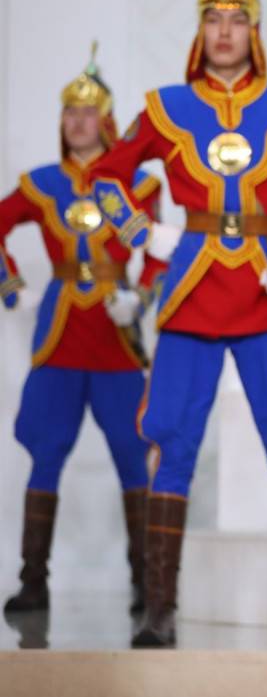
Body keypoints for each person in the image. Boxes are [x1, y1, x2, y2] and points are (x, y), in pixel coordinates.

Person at [87, 0, 267, 648]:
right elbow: (105, 179)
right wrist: (143, 232)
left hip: (264, 292)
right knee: (172, 443)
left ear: (254, 32)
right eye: (212, 18)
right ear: (199, 31)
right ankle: (159, 610)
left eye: (237, 19)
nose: (224, 30)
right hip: (190, 293)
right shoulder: (163, 108)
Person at [0, 44, 164, 617]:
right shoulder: (42, 183)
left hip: (116, 339)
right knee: (46, 453)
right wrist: (9, 285)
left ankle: (146, 582)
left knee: (132, 454)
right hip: (60, 337)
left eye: (88, 112)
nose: (77, 121)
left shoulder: (138, 184)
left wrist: (140, 298)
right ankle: (33, 581)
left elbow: (160, 252)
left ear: (108, 121)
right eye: (69, 111)